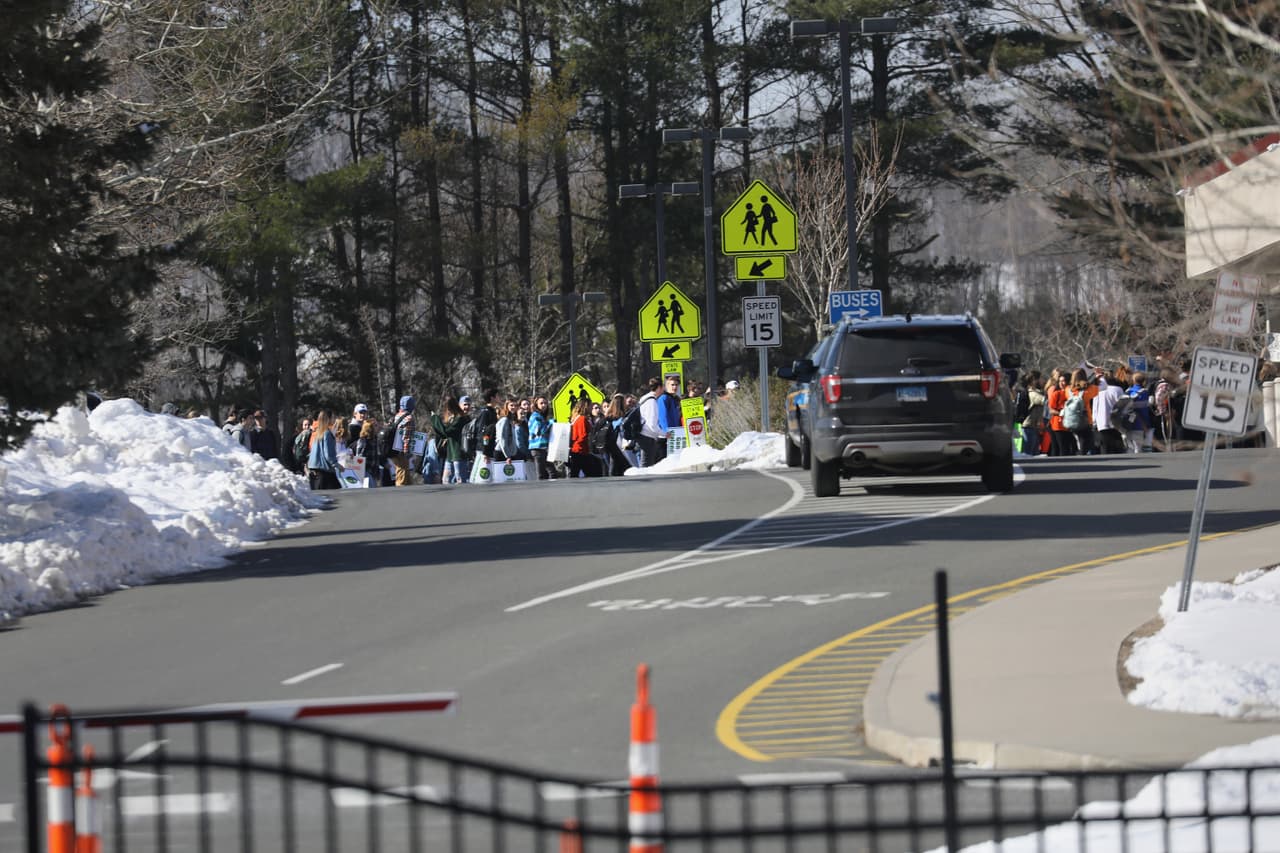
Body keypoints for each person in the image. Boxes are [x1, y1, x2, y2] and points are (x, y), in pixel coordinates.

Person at [432, 397, 469, 484]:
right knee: (446, 481)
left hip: (458, 455)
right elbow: (443, 433)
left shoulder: (460, 419)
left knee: (460, 480)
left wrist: (435, 419)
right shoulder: (453, 418)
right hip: (450, 455)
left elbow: (446, 432)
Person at [306, 410, 340, 490]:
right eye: (333, 417)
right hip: (324, 471)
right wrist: (336, 465)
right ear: (329, 419)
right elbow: (328, 454)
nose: (334, 420)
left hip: (314, 469)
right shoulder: (327, 433)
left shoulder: (317, 433)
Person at [388, 396, 417, 486]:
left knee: (406, 478)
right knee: (402, 478)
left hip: (393, 449)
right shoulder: (409, 418)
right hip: (401, 452)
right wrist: (407, 454)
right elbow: (406, 437)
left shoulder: (396, 416)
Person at [568, 397, 598, 477]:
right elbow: (582, 435)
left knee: (575, 472)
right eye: (590, 406)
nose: (591, 408)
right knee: (591, 472)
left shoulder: (576, 418)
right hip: (580, 450)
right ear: (585, 406)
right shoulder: (582, 419)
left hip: (578, 450)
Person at [637, 378, 664, 467]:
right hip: (647, 436)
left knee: (646, 463)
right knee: (646, 465)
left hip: (643, 435)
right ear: (659, 387)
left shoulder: (644, 399)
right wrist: (663, 433)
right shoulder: (651, 401)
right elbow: (652, 424)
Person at [528, 395, 555, 479]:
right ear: (536, 405)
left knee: (552, 472)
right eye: (541, 403)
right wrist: (550, 423)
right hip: (537, 449)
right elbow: (538, 431)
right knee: (541, 475)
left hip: (544, 448)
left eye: (545, 403)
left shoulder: (542, 416)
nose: (544, 405)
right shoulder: (535, 416)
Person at [355, 417, 382, 486]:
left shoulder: (375, 439)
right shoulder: (363, 440)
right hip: (366, 471)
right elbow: (359, 457)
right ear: (370, 428)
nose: (378, 426)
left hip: (374, 471)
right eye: (375, 425)